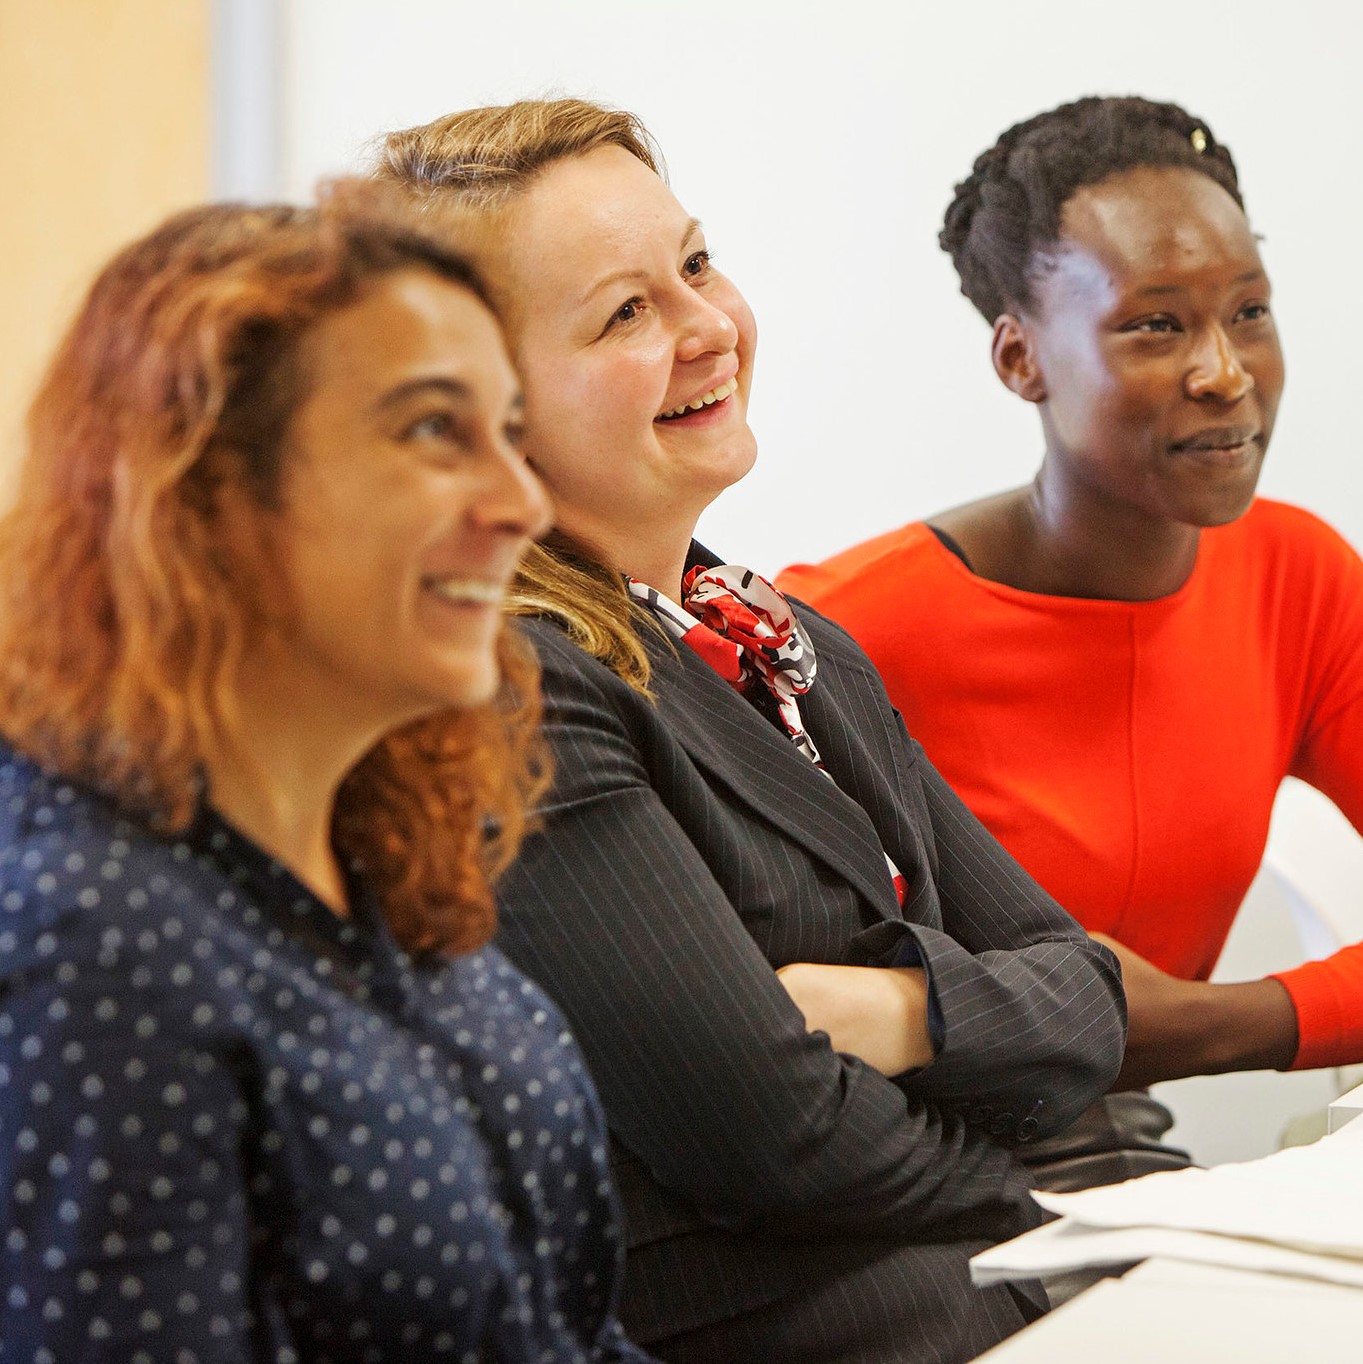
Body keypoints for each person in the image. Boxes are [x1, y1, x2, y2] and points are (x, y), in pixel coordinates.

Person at [376, 98, 1126, 1364]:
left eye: (696, 262)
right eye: (625, 313)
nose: (708, 327)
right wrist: (1029, 1187)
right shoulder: (500, 684)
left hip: (945, 1269)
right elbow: (770, 1129)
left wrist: (900, 1012)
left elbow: (1088, 990)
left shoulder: (782, 640)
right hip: (778, 1321)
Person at [0, 188, 657, 1362]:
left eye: (509, 432)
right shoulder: (90, 938)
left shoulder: (384, 846)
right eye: (428, 431)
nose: (521, 504)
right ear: (203, 491)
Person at [781, 95, 1363, 1173]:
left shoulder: (1299, 577)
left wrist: (1199, 1023)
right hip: (885, 1165)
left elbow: (1156, 1037)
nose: (1223, 373)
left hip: (1111, 1147)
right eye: (1155, 323)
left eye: (1248, 311)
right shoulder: (834, 631)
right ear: (1019, 359)